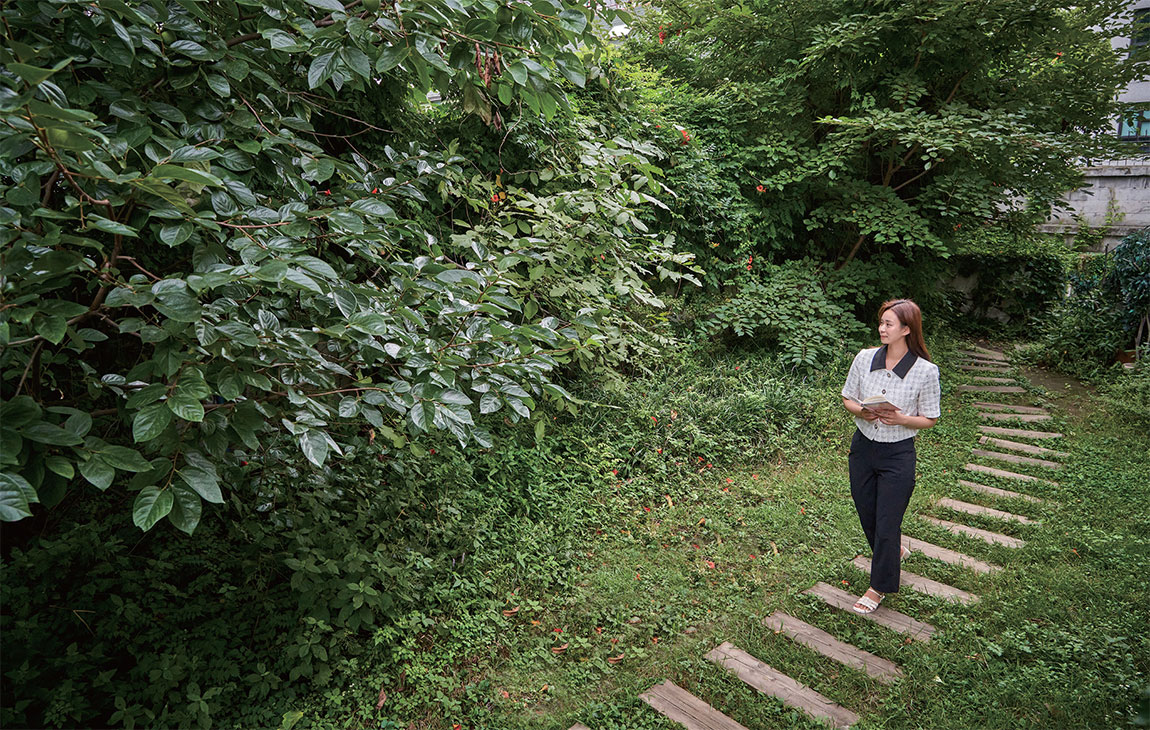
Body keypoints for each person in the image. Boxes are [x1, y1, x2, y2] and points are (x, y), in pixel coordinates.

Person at [840, 299, 941, 614]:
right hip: (863, 447)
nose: (882, 329)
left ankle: (878, 586)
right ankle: (893, 552)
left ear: (907, 329)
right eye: (881, 323)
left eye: (889, 324)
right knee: (867, 511)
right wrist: (862, 412)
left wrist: (902, 420)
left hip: (898, 453)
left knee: (887, 521)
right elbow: (848, 398)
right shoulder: (864, 358)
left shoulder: (925, 371)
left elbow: (930, 418)